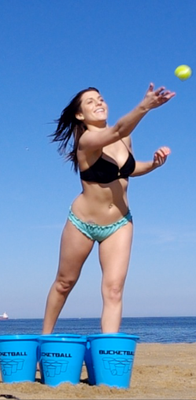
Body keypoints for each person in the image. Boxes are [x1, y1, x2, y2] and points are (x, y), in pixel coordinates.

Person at [42, 83, 175, 335]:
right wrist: (145, 106)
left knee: (114, 290)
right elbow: (117, 129)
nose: (98, 103)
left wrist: (154, 165)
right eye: (90, 102)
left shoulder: (125, 138)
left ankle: (107, 352)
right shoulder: (87, 140)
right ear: (80, 115)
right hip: (83, 222)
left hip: (120, 223)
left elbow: (128, 169)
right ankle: (44, 340)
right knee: (64, 283)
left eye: (100, 98)